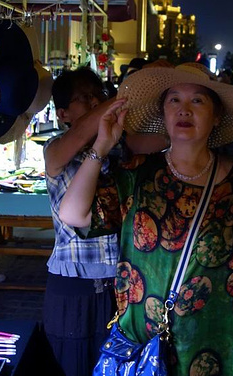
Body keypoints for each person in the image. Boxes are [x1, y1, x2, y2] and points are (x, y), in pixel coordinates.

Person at [59, 64, 233, 376]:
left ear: (216, 116)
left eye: (198, 100)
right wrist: (100, 147)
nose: (184, 109)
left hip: (219, 343)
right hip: (145, 346)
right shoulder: (137, 174)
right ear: (163, 114)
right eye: (174, 100)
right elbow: (72, 214)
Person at [43, 67, 166, 376]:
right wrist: (123, 96)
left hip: (122, 285)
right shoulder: (56, 149)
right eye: (85, 97)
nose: (96, 101)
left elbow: (165, 139)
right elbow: (82, 133)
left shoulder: (121, 149)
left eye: (99, 94)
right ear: (63, 114)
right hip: (74, 287)